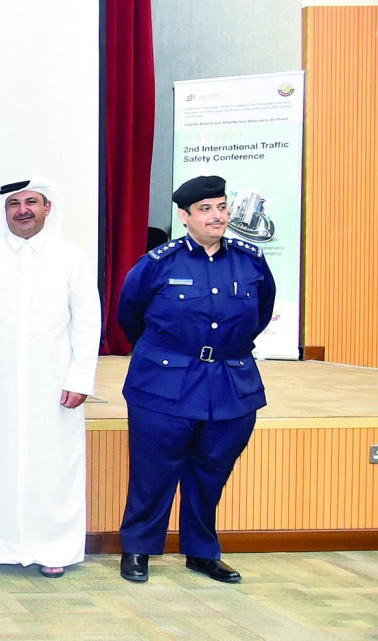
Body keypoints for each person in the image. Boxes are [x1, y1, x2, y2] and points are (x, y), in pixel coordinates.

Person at [117, 175, 276, 583]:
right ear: (184, 216)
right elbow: (130, 316)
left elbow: (259, 314)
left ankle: (202, 552)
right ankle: (138, 549)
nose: (216, 216)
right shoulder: (159, 263)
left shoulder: (250, 261)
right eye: (205, 209)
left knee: (211, 472)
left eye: (222, 207)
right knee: (153, 472)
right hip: (164, 384)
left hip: (229, 384)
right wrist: (173, 353)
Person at [0, 176, 102, 578]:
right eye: (14, 204)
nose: (23, 210)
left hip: (54, 383)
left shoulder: (70, 257)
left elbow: (87, 322)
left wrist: (80, 377)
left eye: (31, 202)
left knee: (53, 463)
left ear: (48, 207)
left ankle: (54, 546)